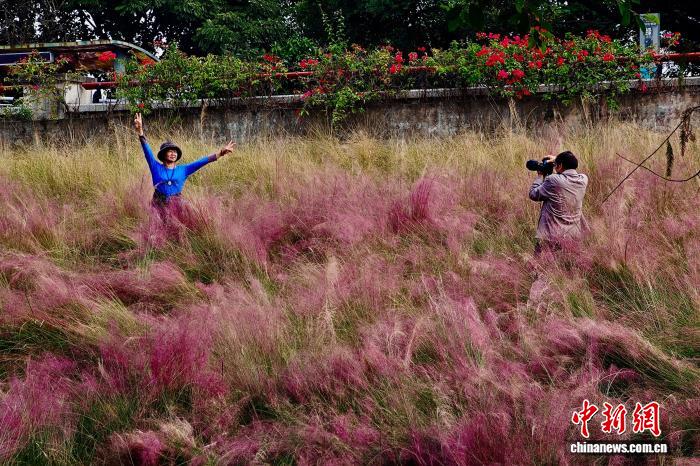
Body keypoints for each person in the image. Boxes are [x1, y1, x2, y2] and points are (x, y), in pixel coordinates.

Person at [133, 112, 235, 210]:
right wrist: (140, 131)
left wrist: (221, 153)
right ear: (163, 154)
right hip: (158, 204)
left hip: (176, 205)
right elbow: (147, 151)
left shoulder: (184, 169)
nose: (173, 154)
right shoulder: (155, 167)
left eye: (175, 152)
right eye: (170, 151)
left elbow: (202, 161)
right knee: (157, 222)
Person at [528, 150, 588, 255]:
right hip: (573, 235)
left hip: (551, 235)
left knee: (541, 263)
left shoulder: (553, 180)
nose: (555, 168)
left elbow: (533, 194)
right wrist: (557, 160)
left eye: (556, 165)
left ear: (560, 165)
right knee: (566, 264)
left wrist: (540, 175)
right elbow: (570, 167)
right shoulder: (583, 179)